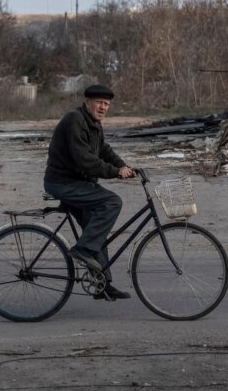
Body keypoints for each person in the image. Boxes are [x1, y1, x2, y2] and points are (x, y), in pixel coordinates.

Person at [44, 83, 135, 301]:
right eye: (99, 103)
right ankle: (83, 250)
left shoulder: (93, 123)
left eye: (106, 104)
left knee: (96, 229)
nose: (103, 107)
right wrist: (115, 172)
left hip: (78, 184)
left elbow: (104, 150)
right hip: (63, 183)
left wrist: (125, 167)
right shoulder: (75, 120)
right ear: (87, 102)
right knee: (113, 202)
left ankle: (103, 285)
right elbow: (85, 160)